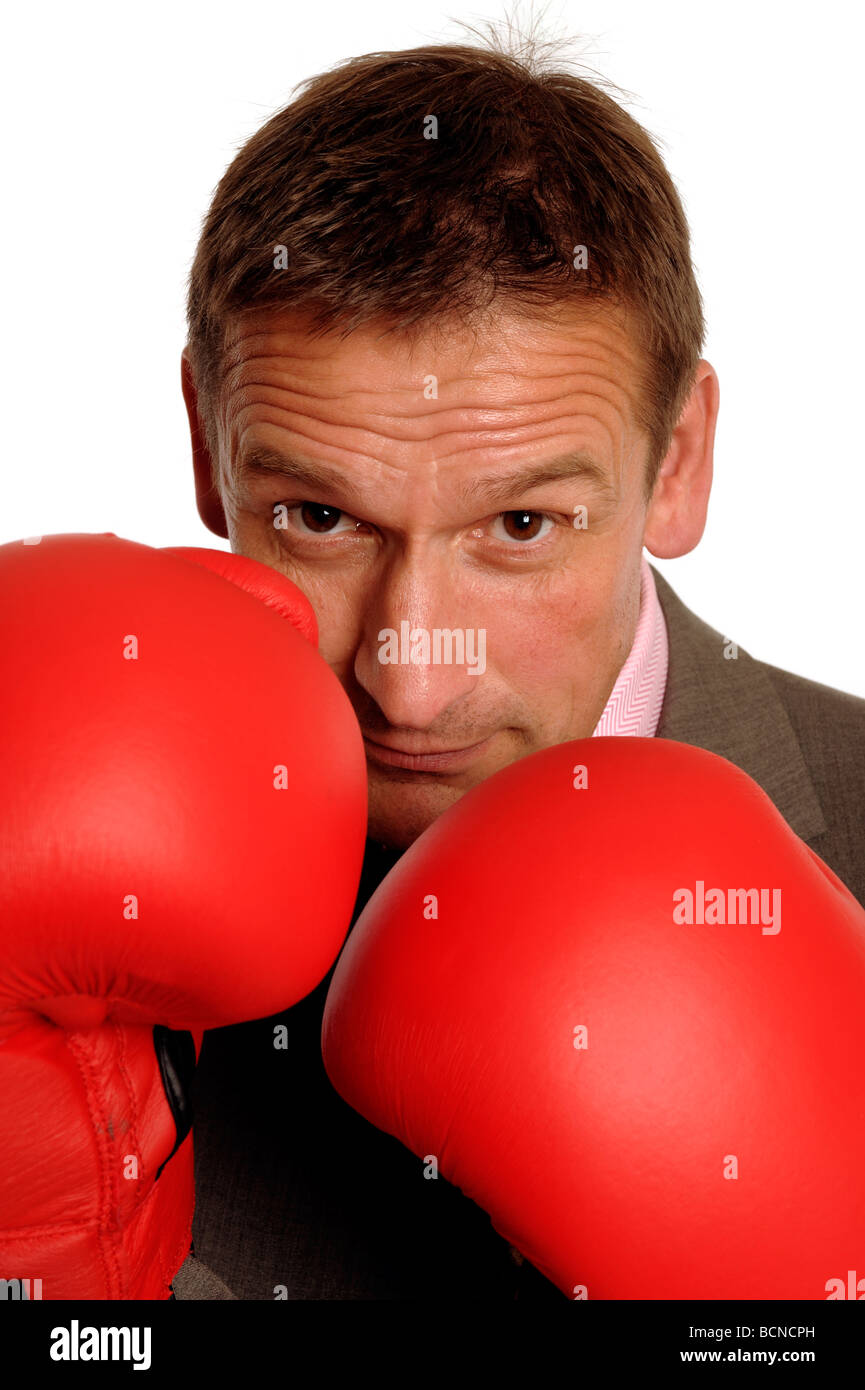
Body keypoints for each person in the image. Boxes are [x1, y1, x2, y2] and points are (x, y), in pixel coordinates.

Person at [171, 34, 865, 1300]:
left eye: (521, 527)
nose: (409, 680)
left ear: (676, 464)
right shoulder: (70, 921)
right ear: (210, 453)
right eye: (322, 517)